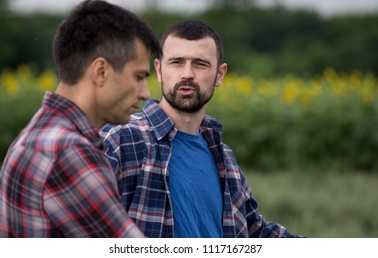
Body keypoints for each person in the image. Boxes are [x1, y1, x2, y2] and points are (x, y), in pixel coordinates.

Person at [100, 20, 304, 238]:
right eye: (177, 62)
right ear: (159, 70)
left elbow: (255, 231)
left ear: (220, 74)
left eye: (200, 64)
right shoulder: (121, 140)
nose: (187, 73)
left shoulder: (224, 157)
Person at [0, 0, 160, 237]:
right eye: (138, 76)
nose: (145, 93)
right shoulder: (69, 152)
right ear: (101, 72)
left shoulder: (36, 134)